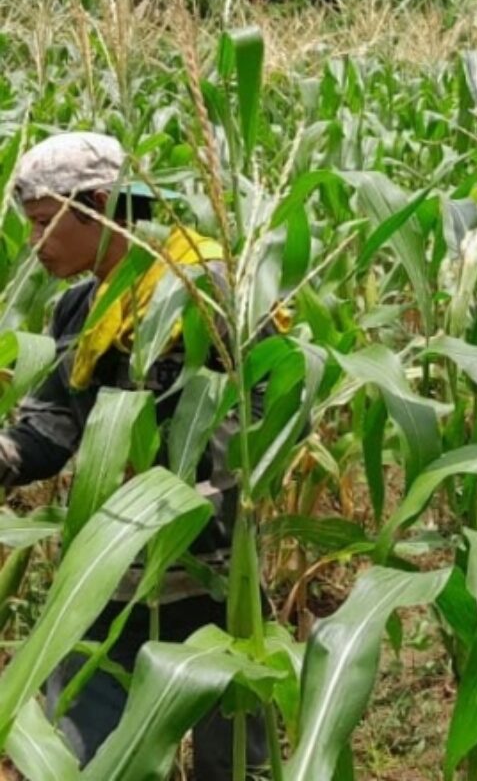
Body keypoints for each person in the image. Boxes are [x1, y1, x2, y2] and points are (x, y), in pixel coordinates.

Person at [2, 131, 262, 778]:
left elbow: (266, 410)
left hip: (212, 573)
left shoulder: (207, 287)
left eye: (42, 223)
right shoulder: (81, 310)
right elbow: (49, 429)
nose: (33, 243)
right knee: (77, 755)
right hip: (111, 567)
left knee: (232, 759)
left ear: (96, 205)